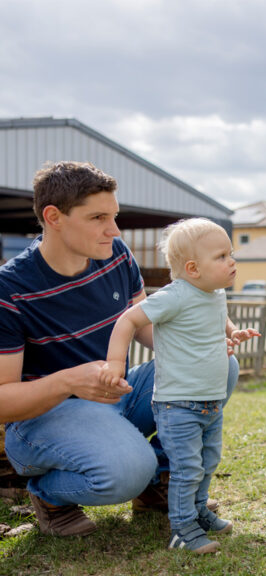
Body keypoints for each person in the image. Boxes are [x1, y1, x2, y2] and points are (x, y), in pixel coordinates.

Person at [0, 161, 240, 537]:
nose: (113, 229)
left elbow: (143, 327)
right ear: (53, 217)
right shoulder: (9, 289)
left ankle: (159, 486)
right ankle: (50, 496)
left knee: (222, 365)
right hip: (48, 417)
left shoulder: (115, 253)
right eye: (98, 217)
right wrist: (68, 382)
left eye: (113, 216)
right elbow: (2, 400)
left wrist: (204, 343)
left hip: (120, 393)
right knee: (128, 470)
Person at [100, 217, 258, 553]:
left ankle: (199, 513)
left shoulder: (213, 292)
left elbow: (219, 316)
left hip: (210, 403)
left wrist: (233, 332)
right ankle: (182, 531)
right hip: (178, 405)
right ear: (192, 268)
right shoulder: (174, 296)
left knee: (207, 461)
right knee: (186, 468)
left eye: (231, 253)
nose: (232, 261)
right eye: (221, 256)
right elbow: (128, 319)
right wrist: (116, 363)